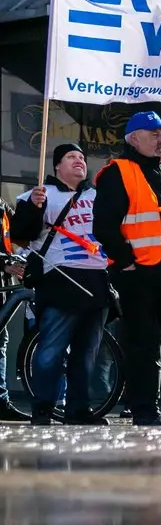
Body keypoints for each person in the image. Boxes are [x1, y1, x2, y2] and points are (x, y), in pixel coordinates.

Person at [92, 109, 161, 426]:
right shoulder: (117, 173)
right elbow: (104, 226)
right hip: (140, 276)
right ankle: (145, 410)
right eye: (154, 134)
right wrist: (125, 263)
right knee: (145, 345)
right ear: (134, 139)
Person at [10, 143, 108, 423]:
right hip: (60, 279)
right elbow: (20, 235)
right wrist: (32, 208)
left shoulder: (98, 196)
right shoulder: (39, 195)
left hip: (97, 279)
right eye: (70, 157)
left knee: (86, 353)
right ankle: (43, 406)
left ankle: (79, 410)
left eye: (81, 157)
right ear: (56, 166)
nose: (78, 161)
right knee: (51, 350)